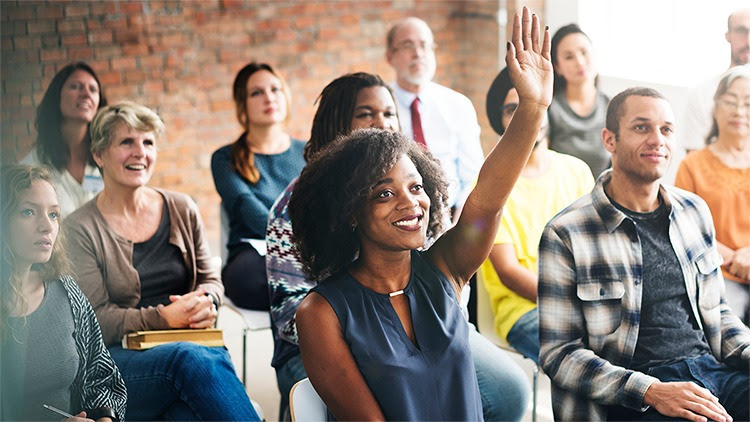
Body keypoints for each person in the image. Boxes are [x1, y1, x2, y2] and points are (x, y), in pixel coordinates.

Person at [288, 8, 550, 420]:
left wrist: (531, 107)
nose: (411, 204)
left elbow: (488, 201)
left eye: (416, 187)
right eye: (384, 194)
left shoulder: (446, 267)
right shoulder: (321, 313)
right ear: (350, 211)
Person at [538, 87, 750, 421]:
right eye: (641, 128)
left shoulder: (694, 211)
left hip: (713, 372)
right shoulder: (566, 233)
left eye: (666, 129)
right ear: (610, 140)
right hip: (635, 392)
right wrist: (650, 390)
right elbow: (559, 354)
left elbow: (719, 314)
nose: (657, 140)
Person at [65, 101, 260, 421]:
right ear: (99, 155)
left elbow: (211, 280)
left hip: (192, 350)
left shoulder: (182, 207)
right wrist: (164, 318)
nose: (140, 152)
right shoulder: (80, 229)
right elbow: (95, 321)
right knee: (192, 361)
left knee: (187, 414)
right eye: (126, 142)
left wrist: (207, 301)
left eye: (148, 142)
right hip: (118, 364)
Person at [480, 67, 594, 362]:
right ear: (499, 121)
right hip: (525, 312)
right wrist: (572, 302)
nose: (526, 115)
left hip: (585, 302)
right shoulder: (489, 186)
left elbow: (596, 247)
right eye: (512, 109)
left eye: (533, 105)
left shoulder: (576, 170)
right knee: (587, 362)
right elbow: (508, 272)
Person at [0, 165, 126, 421]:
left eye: (54, 214)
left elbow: (101, 375)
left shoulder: (65, 290)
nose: (47, 226)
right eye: (28, 212)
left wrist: (104, 418)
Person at [211, 62, 305, 311]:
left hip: (306, 250)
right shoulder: (225, 158)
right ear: (243, 104)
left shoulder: (308, 152)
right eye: (257, 92)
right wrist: (294, 243)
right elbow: (247, 209)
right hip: (254, 256)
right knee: (269, 279)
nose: (268, 98)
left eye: (275, 89)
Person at [385, 16, 484, 211]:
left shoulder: (458, 104)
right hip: (398, 213)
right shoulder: (380, 105)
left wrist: (460, 223)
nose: (418, 53)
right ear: (390, 56)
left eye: (424, 45)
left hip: (451, 215)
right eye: (407, 45)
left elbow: (474, 176)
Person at [676, 66, 750, 324]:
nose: (739, 111)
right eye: (731, 102)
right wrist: (732, 258)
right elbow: (683, 228)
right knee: (727, 331)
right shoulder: (693, 164)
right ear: (716, 108)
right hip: (716, 273)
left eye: (748, 103)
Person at [21, 62, 107, 217]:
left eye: (93, 89)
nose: (86, 94)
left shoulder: (108, 157)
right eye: (75, 87)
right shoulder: (31, 166)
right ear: (57, 96)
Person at [682, 9, 750, 152]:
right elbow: (694, 162)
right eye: (741, 30)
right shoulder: (701, 94)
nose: (748, 40)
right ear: (728, 35)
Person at [548, 23, 610, 179]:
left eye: (584, 52)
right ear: (557, 67)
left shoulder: (611, 108)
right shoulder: (550, 109)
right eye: (569, 57)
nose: (580, 62)